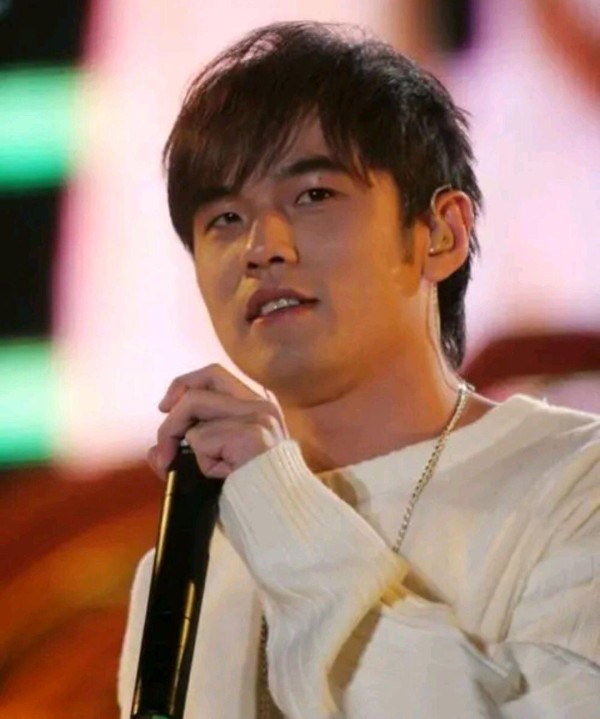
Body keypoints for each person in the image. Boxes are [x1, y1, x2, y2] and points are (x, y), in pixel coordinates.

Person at [117, 20, 600, 719]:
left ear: (441, 233)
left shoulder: (575, 485)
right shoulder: (189, 560)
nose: (261, 247)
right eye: (224, 218)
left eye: (313, 195)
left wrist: (282, 512)